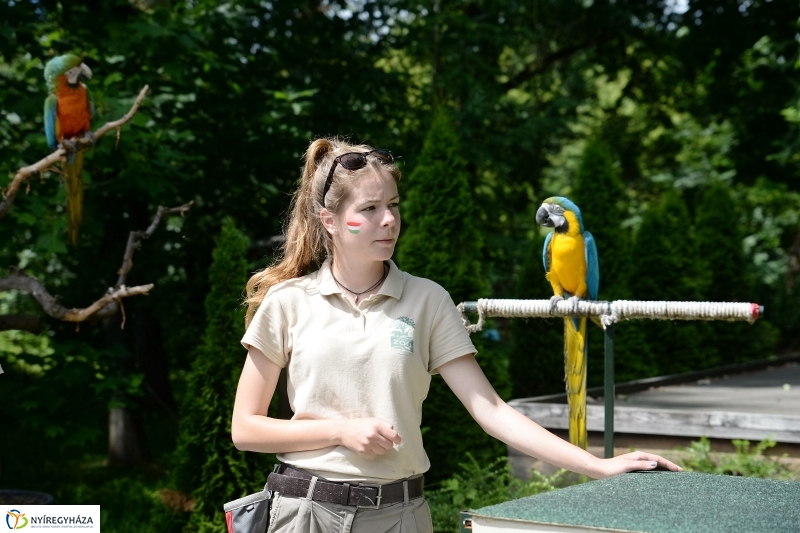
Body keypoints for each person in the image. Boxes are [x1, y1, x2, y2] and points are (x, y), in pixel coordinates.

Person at [231, 137, 682, 533]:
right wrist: (340, 431)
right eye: (369, 209)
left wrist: (598, 466)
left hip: (400, 517)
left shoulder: (428, 300)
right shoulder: (289, 301)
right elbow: (245, 428)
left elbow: (491, 410)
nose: (388, 220)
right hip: (304, 514)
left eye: (393, 205)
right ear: (329, 220)